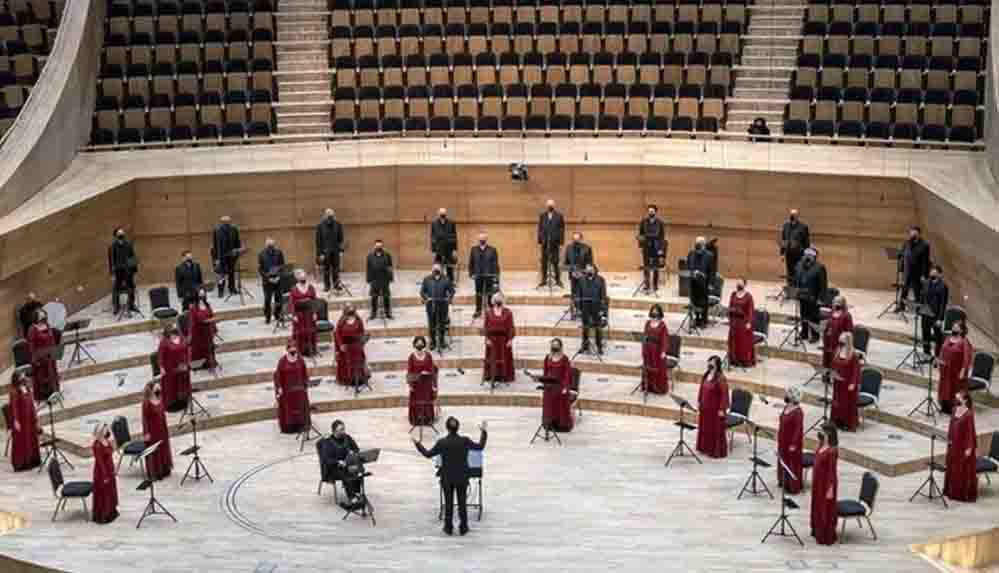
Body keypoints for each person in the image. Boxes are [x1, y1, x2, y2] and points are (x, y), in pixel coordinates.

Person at [412, 417, 488, 536]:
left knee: (448, 503)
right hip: (462, 477)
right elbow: (480, 446)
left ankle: (448, 527)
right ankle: (463, 527)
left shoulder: (442, 442)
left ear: (447, 428)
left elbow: (427, 454)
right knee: (462, 502)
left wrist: (417, 444)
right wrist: (484, 432)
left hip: (447, 478)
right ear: (458, 428)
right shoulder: (465, 441)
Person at [944, 392, 978, 502]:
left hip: (963, 445)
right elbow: (951, 425)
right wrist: (949, 439)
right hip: (954, 444)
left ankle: (959, 494)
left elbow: (970, 431)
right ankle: (950, 491)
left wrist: (969, 447)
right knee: (952, 466)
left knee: (960, 469)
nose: (957, 398)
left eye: (959, 397)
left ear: (965, 400)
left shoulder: (969, 414)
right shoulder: (954, 409)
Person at [318, 420, 363, 503]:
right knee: (346, 473)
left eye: (344, 429)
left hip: (347, 464)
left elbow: (356, 448)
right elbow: (326, 459)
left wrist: (353, 452)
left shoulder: (347, 438)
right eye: (341, 429)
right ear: (334, 431)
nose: (343, 431)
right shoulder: (327, 442)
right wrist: (338, 461)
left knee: (358, 469)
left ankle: (357, 493)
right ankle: (352, 498)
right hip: (333, 468)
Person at [810, 422, 839, 545]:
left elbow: (832, 472)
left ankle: (824, 535)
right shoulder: (821, 445)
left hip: (826, 483)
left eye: (822, 431)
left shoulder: (832, 451)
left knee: (824, 508)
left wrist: (830, 489)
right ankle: (816, 530)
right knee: (817, 505)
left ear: (828, 433)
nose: (819, 433)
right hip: (818, 482)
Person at [696, 355, 730, 459]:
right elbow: (701, 389)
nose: (710, 364)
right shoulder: (706, 375)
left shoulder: (721, 378)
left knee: (714, 430)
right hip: (705, 408)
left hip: (715, 410)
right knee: (705, 428)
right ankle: (704, 448)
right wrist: (699, 401)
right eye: (709, 361)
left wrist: (721, 409)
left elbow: (724, 394)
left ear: (717, 365)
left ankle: (714, 451)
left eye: (712, 362)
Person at [274, 342, 311, 434]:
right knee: (289, 410)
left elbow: (304, 372)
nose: (293, 350)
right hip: (287, 391)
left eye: (294, 348)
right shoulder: (282, 361)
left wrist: (306, 383)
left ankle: (301, 425)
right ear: (287, 349)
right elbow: (278, 375)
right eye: (291, 348)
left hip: (299, 390)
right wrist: (279, 387)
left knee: (300, 407)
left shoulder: (300, 359)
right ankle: (290, 427)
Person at [938, 320, 973, 415]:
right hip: (945, 370)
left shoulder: (964, 342)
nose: (954, 328)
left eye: (956, 327)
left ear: (961, 330)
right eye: (953, 326)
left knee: (955, 389)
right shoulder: (948, 338)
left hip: (956, 371)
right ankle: (945, 407)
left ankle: (956, 409)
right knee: (945, 388)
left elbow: (967, 358)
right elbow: (942, 350)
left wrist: (963, 371)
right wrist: (939, 361)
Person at [540, 338, 575, 431]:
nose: (555, 347)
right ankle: (549, 422)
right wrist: (544, 384)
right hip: (550, 386)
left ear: (560, 346)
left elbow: (567, 374)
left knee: (560, 398)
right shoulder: (548, 358)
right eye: (553, 345)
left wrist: (566, 387)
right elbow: (545, 372)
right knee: (548, 398)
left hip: (560, 386)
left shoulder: (564, 358)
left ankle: (561, 425)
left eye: (556, 345)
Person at [8, 372, 40, 471]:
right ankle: (21, 463)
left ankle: (32, 460)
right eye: (21, 376)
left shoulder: (26, 387)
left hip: (29, 418)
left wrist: (35, 416)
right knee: (22, 442)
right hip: (21, 420)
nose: (24, 377)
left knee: (31, 439)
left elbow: (30, 402)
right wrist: (16, 421)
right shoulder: (14, 391)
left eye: (24, 376)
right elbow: (14, 407)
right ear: (16, 379)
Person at [830, 331, 862, 432]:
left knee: (847, 404)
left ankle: (847, 423)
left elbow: (855, 371)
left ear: (848, 342)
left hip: (848, 384)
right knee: (837, 402)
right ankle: (837, 421)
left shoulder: (853, 355)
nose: (840, 342)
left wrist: (853, 383)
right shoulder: (838, 350)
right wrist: (832, 374)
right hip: (838, 382)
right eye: (840, 340)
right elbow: (834, 364)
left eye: (842, 341)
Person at [141, 381, 173, 480]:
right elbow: (144, 419)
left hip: (162, 429)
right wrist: (146, 433)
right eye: (157, 387)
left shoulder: (160, 399)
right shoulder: (146, 403)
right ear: (152, 390)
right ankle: (155, 472)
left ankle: (164, 469)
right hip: (152, 430)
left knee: (163, 448)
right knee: (155, 450)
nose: (159, 389)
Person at [794, 247, 827, 343]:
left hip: (814, 297)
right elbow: (796, 279)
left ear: (814, 257)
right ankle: (804, 332)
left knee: (814, 317)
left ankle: (815, 335)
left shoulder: (819, 267)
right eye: (805, 255)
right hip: (802, 296)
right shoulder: (799, 265)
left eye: (810, 256)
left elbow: (823, 285)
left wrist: (821, 298)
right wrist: (795, 291)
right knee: (803, 315)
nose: (807, 257)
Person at [27, 308, 60, 401]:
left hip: (50, 356)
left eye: (44, 314)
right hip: (40, 358)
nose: (43, 316)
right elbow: (31, 346)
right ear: (36, 316)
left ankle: (54, 393)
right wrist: (35, 359)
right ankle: (44, 397)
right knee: (42, 377)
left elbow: (52, 339)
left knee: (52, 375)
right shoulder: (32, 329)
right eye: (41, 314)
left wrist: (54, 352)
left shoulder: (47, 325)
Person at [157, 323, 192, 413]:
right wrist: (161, 367)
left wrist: (187, 363)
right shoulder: (164, 342)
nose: (174, 331)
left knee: (182, 385)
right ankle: (171, 406)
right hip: (170, 369)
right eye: (172, 330)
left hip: (182, 367)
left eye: (175, 329)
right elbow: (160, 356)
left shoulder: (182, 338)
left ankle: (182, 403)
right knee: (171, 387)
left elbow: (187, 350)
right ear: (168, 332)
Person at [420, 263, 455, 351]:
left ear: (441, 270)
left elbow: (452, 291)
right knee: (432, 324)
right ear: (432, 270)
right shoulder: (427, 279)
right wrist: (426, 298)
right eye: (434, 268)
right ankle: (433, 342)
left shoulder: (446, 279)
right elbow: (422, 292)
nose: (436, 270)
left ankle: (442, 340)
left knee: (442, 324)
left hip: (443, 305)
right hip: (431, 305)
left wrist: (449, 298)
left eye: (438, 268)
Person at [777, 386, 804, 494]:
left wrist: (793, 444)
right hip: (783, 439)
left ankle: (792, 486)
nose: (786, 395)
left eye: (788, 393)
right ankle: (784, 481)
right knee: (783, 460)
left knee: (791, 462)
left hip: (792, 442)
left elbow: (798, 430)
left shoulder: (798, 412)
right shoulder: (786, 407)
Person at [483, 293, 515, 383]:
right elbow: (486, 326)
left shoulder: (508, 312)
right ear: (493, 300)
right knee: (492, 358)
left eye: (500, 298)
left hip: (504, 340)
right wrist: (487, 339)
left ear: (503, 300)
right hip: (492, 340)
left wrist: (510, 339)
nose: (498, 300)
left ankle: (503, 375)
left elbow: (511, 326)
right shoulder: (488, 312)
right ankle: (491, 375)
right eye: (496, 298)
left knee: (504, 357)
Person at [90, 423, 119, 524]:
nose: (108, 431)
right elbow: (100, 462)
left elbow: (113, 451)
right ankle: (103, 515)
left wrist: (113, 469)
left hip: (109, 469)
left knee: (110, 491)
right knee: (104, 493)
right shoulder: (97, 445)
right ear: (101, 431)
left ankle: (111, 511)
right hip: (101, 473)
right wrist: (105, 476)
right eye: (106, 430)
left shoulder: (106, 441)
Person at [577, 264, 608, 355]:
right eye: (587, 270)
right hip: (585, 308)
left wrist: (602, 309)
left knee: (598, 328)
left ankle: (599, 346)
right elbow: (579, 295)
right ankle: (585, 346)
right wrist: (579, 308)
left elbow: (603, 295)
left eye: (591, 270)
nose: (589, 271)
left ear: (594, 270)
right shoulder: (581, 280)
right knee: (585, 328)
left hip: (596, 307)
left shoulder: (600, 280)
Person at [468, 231, 500, 318]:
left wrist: (496, 276)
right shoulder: (474, 249)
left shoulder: (492, 250)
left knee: (490, 293)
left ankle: (491, 310)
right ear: (478, 239)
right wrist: (471, 273)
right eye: (480, 238)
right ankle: (478, 310)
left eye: (483, 238)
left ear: (486, 239)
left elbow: (495, 264)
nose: (482, 240)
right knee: (478, 293)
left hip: (489, 275)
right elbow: (471, 262)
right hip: (478, 276)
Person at [335, 303, 368, 386]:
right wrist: (341, 345)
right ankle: (347, 379)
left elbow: (362, 333)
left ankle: (358, 378)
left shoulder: (358, 320)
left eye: (352, 312)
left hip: (356, 346)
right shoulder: (341, 321)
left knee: (358, 360)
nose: (351, 314)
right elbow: (337, 334)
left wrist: (361, 342)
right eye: (349, 312)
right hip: (345, 347)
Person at [407, 336, 438, 425]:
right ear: (414, 344)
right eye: (418, 343)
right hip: (416, 385)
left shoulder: (428, 356)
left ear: (424, 344)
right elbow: (409, 371)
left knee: (427, 401)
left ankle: (428, 419)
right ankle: (416, 419)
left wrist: (434, 384)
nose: (419, 345)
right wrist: (410, 385)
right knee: (416, 402)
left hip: (426, 384)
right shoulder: (411, 357)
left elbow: (432, 370)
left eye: (421, 343)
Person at [108, 227, 138, 315]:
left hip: (128, 272)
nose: (122, 234)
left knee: (131, 288)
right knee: (116, 290)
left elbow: (133, 257)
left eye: (122, 233)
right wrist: (112, 275)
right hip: (118, 273)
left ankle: (132, 305)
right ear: (115, 235)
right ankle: (116, 307)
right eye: (119, 233)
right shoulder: (112, 247)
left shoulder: (129, 244)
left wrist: (134, 270)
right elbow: (111, 262)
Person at [687, 236, 716, 328]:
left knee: (703, 302)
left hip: (705, 283)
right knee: (694, 301)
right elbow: (689, 264)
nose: (698, 246)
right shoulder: (691, 253)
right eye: (697, 243)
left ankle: (704, 320)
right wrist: (693, 272)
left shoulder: (709, 255)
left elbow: (712, 271)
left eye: (700, 244)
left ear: (704, 245)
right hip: (693, 282)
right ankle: (697, 319)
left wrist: (711, 283)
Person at [563, 231, 593, 319]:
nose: (575, 241)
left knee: (583, 294)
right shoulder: (568, 248)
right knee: (574, 294)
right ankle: (574, 312)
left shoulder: (587, 248)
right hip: (573, 275)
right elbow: (566, 263)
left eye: (577, 239)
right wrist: (572, 270)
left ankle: (584, 311)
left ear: (581, 239)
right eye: (574, 239)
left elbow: (590, 263)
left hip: (583, 275)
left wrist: (583, 272)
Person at [637, 204, 666, 293]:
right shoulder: (643, 221)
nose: (650, 212)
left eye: (652, 211)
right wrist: (641, 246)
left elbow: (662, 237)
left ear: (655, 212)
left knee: (655, 266)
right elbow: (640, 234)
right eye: (649, 211)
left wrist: (661, 249)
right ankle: (647, 285)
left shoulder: (660, 222)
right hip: (646, 247)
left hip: (656, 247)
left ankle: (655, 285)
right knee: (646, 267)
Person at [900, 225, 931, 310]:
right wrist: (901, 270)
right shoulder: (907, 243)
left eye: (914, 233)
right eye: (911, 233)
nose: (912, 235)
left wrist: (924, 275)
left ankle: (918, 309)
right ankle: (901, 306)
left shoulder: (925, 245)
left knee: (917, 292)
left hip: (917, 273)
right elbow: (903, 256)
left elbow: (926, 262)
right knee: (904, 290)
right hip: (907, 271)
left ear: (919, 234)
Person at [727, 278, 756, 367]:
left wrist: (749, 323)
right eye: (737, 282)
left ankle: (743, 361)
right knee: (733, 341)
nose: (738, 284)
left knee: (743, 343)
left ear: (744, 284)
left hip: (743, 322)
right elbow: (730, 306)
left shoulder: (748, 297)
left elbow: (751, 311)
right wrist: (729, 315)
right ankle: (733, 359)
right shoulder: (733, 294)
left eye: (740, 282)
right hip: (734, 322)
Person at [289, 269, 319, 357]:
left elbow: (314, 301)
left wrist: (314, 313)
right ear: (297, 278)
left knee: (310, 332)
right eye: (301, 277)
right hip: (299, 314)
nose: (303, 278)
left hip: (309, 314)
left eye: (304, 276)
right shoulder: (293, 289)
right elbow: (291, 303)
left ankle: (311, 350)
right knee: (300, 333)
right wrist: (293, 315)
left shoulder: (311, 287)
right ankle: (300, 351)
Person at [642, 304, 670, 394]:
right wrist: (643, 348)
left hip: (657, 351)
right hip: (648, 349)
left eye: (656, 314)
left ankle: (658, 388)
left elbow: (665, 339)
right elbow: (644, 336)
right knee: (648, 368)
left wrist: (664, 351)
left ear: (660, 314)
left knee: (657, 369)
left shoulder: (662, 325)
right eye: (653, 314)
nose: (655, 316)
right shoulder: (647, 323)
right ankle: (648, 387)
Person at [921, 265, 949, 357]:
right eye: (931, 272)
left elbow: (943, 303)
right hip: (926, 314)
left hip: (936, 316)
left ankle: (939, 355)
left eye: (935, 272)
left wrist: (940, 319)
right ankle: (927, 354)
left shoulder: (943, 286)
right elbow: (923, 298)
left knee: (938, 337)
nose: (932, 274)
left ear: (940, 274)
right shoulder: (926, 282)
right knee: (925, 335)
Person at [537, 199, 565, 287]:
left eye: (551, 205)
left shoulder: (559, 216)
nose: (550, 206)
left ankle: (558, 280)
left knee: (556, 262)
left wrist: (561, 242)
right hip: (545, 243)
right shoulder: (542, 216)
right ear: (546, 206)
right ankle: (544, 280)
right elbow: (540, 229)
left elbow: (561, 230)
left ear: (554, 206)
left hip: (555, 243)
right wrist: (540, 241)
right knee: (544, 262)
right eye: (549, 205)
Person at [316, 208, 345, 292]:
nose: (330, 216)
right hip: (325, 252)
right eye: (328, 214)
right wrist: (320, 253)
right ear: (325, 215)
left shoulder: (338, 224)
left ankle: (336, 284)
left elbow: (340, 239)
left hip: (335, 251)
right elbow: (318, 241)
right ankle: (327, 285)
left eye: (331, 214)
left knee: (336, 269)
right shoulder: (320, 226)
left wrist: (341, 251)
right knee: (326, 269)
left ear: (334, 215)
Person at [212, 215, 242, 298]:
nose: (227, 223)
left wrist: (237, 252)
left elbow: (237, 241)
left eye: (228, 222)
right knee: (221, 274)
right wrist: (216, 258)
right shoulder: (217, 230)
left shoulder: (234, 229)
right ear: (221, 222)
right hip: (221, 256)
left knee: (231, 273)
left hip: (232, 255)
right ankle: (220, 290)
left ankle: (232, 288)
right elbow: (215, 245)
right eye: (224, 222)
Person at [258, 238, 286, 324]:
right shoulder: (261, 254)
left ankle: (278, 315)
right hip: (267, 281)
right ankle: (267, 317)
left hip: (278, 280)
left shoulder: (279, 252)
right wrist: (268, 278)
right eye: (269, 246)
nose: (271, 248)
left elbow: (282, 266)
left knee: (279, 299)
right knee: (267, 300)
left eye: (272, 246)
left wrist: (278, 277)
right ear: (266, 246)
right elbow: (260, 269)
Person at [187, 288, 217, 370]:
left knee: (208, 348)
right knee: (198, 349)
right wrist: (210, 320)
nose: (202, 296)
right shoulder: (193, 307)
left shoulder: (207, 305)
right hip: (198, 332)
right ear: (197, 295)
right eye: (200, 295)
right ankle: (198, 365)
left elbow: (211, 315)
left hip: (207, 331)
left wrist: (214, 327)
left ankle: (208, 363)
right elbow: (195, 320)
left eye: (203, 294)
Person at [822, 295, 854, 370]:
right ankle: (827, 374)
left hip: (838, 343)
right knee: (827, 359)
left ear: (843, 304)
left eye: (838, 302)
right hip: (829, 341)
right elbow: (827, 325)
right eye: (835, 302)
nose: (836, 304)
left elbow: (849, 331)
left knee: (836, 361)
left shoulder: (847, 315)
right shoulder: (831, 313)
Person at [780, 209, 810, 287]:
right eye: (791, 214)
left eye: (794, 215)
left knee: (798, 271)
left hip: (799, 254)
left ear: (797, 216)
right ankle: (790, 288)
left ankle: (797, 288)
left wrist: (806, 254)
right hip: (789, 253)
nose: (792, 216)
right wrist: (782, 253)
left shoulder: (803, 227)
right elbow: (784, 240)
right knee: (789, 271)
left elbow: (806, 242)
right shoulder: (786, 226)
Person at [366, 239, 394, 319]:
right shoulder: (370, 256)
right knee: (374, 297)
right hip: (374, 280)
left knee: (386, 297)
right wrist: (368, 279)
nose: (379, 247)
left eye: (380, 246)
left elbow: (390, 267)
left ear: (382, 246)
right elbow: (368, 268)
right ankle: (373, 313)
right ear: (374, 246)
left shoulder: (387, 255)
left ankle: (388, 313)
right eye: (377, 246)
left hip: (384, 279)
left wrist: (391, 278)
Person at [431, 207, 458, 283]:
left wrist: (455, 250)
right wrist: (433, 250)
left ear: (446, 214)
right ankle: (438, 281)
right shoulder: (434, 223)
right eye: (441, 213)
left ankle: (450, 282)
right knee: (437, 266)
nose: (442, 215)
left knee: (449, 267)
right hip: (438, 249)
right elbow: (432, 237)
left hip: (449, 249)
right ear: (438, 214)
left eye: (444, 213)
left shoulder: (451, 223)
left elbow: (454, 237)